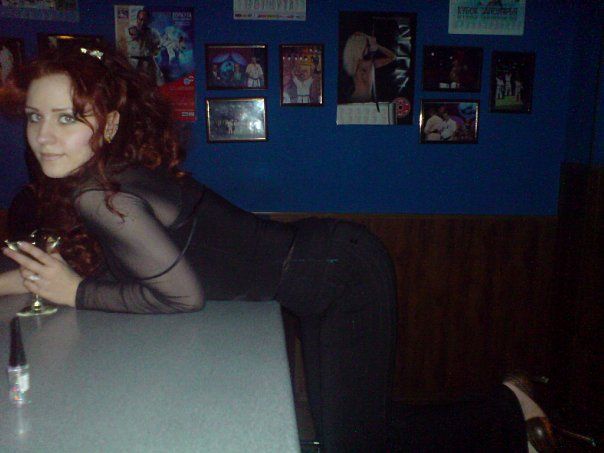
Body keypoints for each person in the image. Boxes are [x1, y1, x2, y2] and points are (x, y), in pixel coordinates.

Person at [0, 45, 557, 453]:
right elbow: (64, 269)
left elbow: (181, 296)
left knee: (356, 442)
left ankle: (509, 409)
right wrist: (43, 281)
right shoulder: (105, 179)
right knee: (353, 429)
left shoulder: (100, 195)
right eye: (35, 117)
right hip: (327, 268)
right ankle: (505, 410)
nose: (44, 136)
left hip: (339, 276)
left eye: (67, 118)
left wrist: (77, 293)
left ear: (109, 124)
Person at [342, 32, 395, 103]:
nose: (369, 47)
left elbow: (392, 57)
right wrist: (376, 46)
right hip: (363, 99)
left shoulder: (352, 64)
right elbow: (392, 57)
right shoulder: (367, 64)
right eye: (367, 45)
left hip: (356, 98)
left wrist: (370, 40)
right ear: (360, 48)